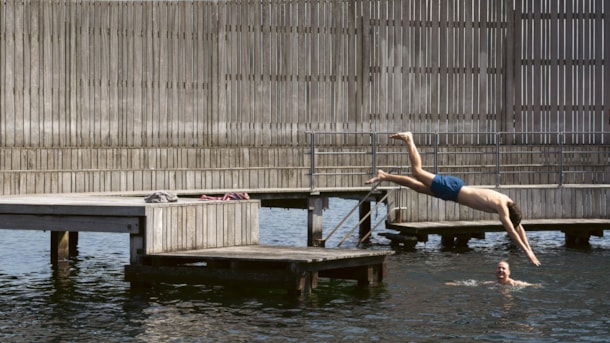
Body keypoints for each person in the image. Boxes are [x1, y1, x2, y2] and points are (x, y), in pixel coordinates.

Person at [365, 132, 541, 266]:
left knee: (417, 186)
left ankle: (384, 175)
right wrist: (527, 253)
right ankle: (409, 139)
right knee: (417, 172)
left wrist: (531, 249)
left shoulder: (507, 201)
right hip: (452, 189)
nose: (511, 223)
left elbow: (518, 227)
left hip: (453, 191)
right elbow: (511, 230)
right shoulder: (501, 206)